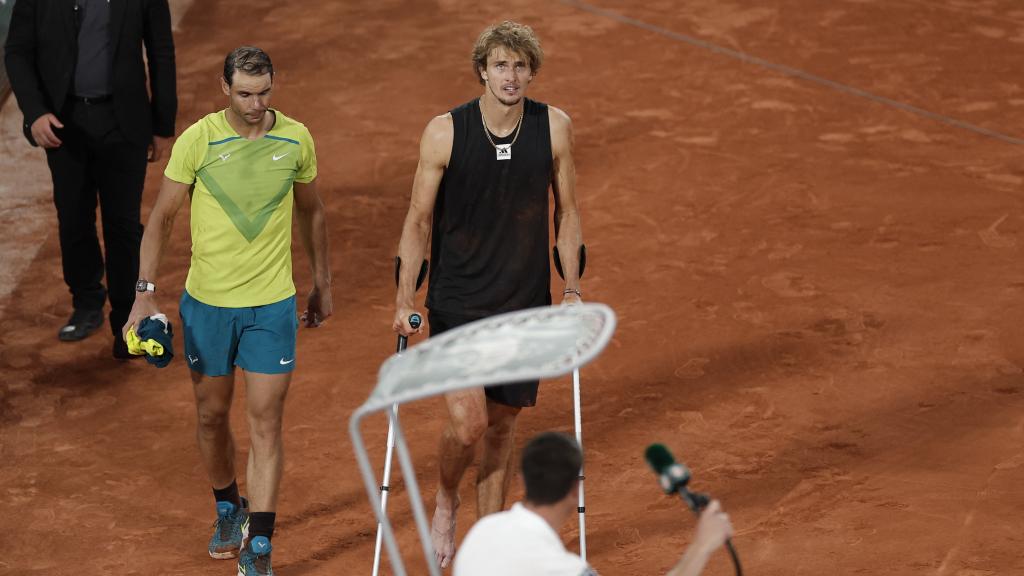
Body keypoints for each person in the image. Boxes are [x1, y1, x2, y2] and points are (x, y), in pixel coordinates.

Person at [122, 46, 332, 576]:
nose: (256, 104)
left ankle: (259, 544)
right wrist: (145, 291)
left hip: (271, 305)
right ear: (225, 89)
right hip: (209, 307)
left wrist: (321, 283)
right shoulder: (199, 140)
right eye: (244, 93)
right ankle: (227, 508)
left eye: (263, 93)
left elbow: (312, 212)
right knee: (212, 415)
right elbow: (162, 218)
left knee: (267, 422)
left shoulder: (297, 138)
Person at [392, 20, 584, 568]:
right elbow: (418, 218)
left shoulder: (554, 128)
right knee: (469, 423)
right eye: (501, 64)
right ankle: (447, 497)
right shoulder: (445, 132)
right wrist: (405, 297)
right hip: (458, 301)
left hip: (523, 303)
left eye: (521, 66)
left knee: (500, 429)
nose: (511, 75)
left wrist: (571, 289)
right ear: (482, 70)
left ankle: (490, 552)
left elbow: (568, 212)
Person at [4, 0, 177, 358]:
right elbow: (18, 51)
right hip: (64, 126)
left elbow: (161, 50)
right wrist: (35, 112)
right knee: (73, 218)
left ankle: (128, 324)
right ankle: (86, 303)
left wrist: (162, 123)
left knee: (123, 226)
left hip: (123, 123)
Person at [454, 433, 735, 576]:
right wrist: (700, 547)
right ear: (576, 489)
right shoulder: (562, 569)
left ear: (523, 480)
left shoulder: (482, 532)